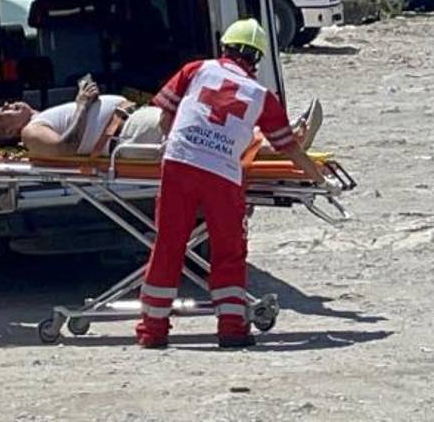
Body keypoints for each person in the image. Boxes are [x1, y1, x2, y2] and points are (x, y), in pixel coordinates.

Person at [136, 18, 334, 349]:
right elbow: (290, 149)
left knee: (168, 244)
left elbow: (166, 118)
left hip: (179, 164)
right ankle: (231, 329)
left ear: (224, 46)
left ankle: (152, 331)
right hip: (222, 175)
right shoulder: (261, 95)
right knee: (228, 251)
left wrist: (177, 144)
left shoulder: (196, 70)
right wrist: (319, 178)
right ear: (257, 59)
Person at [0, 86, 322, 159]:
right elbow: (65, 148)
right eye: (4, 112)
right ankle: (282, 144)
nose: (8, 104)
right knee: (199, 131)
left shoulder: (38, 118)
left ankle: (279, 139)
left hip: (130, 124)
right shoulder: (31, 132)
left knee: (202, 126)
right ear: (9, 132)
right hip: (127, 134)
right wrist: (83, 105)